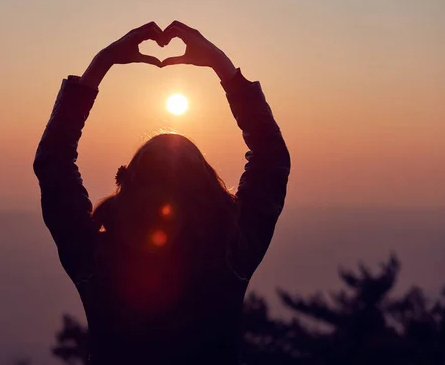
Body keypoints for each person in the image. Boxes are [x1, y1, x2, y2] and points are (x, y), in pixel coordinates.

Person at [33, 21, 291, 365]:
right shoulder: (231, 256)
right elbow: (271, 158)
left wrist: (102, 63)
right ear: (206, 193)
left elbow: (54, 162)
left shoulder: (94, 259)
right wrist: (220, 65)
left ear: (126, 190)